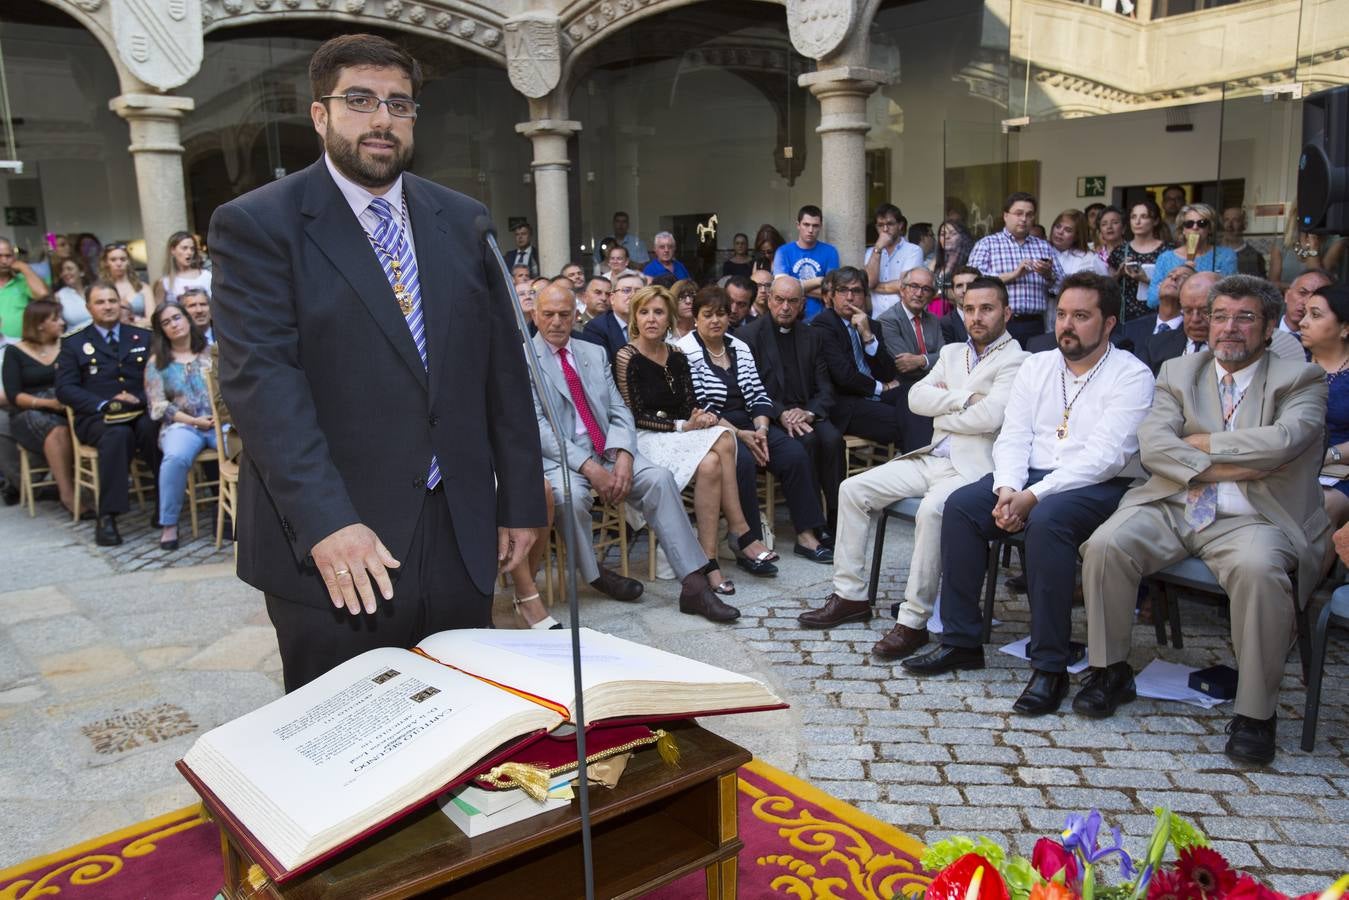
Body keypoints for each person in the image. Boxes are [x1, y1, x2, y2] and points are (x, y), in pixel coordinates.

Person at [208, 34, 544, 692]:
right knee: (348, 740)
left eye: (399, 103)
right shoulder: (258, 224)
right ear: (319, 114)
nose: (382, 118)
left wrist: (523, 501)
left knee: (463, 718)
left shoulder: (463, 219)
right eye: (360, 100)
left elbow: (502, 372)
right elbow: (263, 386)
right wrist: (327, 523)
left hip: (458, 529)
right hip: (341, 540)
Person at [1077, 274, 1329, 765]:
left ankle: (1256, 715)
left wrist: (1203, 444)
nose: (1229, 328)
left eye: (1245, 317)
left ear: (1271, 326)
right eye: (1219, 316)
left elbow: (1285, 442)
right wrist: (1224, 464)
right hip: (1177, 504)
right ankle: (1110, 671)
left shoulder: (1301, 378)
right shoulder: (1177, 370)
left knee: (1258, 571)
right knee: (1108, 544)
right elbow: (1153, 446)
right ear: (1206, 322)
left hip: (1256, 516)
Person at [901, 273, 1154, 716]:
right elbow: (1013, 436)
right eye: (1061, 315)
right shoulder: (1038, 365)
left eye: (1081, 316)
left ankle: (1050, 665)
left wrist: (1031, 497)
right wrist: (1007, 489)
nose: (1066, 326)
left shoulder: (1131, 375)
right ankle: (961, 640)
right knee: (960, 506)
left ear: (1109, 322)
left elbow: (1105, 458)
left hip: (1096, 486)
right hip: (1027, 477)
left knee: (1048, 521)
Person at [797, 277, 1029, 651]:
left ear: (1007, 312)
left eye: (986, 309)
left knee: (932, 513)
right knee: (852, 489)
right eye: (969, 309)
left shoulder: (1020, 361)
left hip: (973, 471)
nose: (976, 317)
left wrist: (946, 407)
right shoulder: (953, 352)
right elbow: (915, 398)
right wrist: (967, 400)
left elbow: (992, 416)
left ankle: (913, 620)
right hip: (932, 456)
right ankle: (850, 596)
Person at [531, 283, 738, 621]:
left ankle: (693, 584)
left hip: (610, 445)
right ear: (535, 315)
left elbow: (619, 410)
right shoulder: (524, 359)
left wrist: (625, 454)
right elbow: (538, 428)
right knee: (570, 497)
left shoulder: (593, 352)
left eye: (564, 314)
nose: (556, 322)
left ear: (576, 314)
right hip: (563, 456)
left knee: (658, 477)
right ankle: (595, 573)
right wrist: (590, 468)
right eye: (548, 314)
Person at [615, 284, 770, 595]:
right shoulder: (626, 356)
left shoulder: (676, 354)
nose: (651, 319)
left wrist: (697, 419)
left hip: (679, 431)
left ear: (670, 317)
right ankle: (741, 531)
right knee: (724, 438)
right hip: (647, 438)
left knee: (715, 456)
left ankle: (709, 559)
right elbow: (635, 416)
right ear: (635, 317)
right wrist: (684, 426)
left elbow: (688, 404)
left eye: (658, 312)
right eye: (644, 312)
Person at [677, 285, 831, 564]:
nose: (716, 321)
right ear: (696, 318)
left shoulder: (738, 346)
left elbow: (758, 393)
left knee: (794, 454)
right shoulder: (684, 351)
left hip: (751, 422)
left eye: (721, 314)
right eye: (708, 315)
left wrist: (760, 430)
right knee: (742, 462)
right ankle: (747, 541)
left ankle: (806, 535)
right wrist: (741, 435)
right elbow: (700, 405)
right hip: (713, 429)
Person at [54, 281, 159, 547]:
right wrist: (105, 403)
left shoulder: (141, 336)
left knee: (153, 429)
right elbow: (65, 389)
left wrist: (143, 398)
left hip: (140, 410)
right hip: (97, 418)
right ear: (88, 307)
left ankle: (164, 504)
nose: (108, 306)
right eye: (100, 302)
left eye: (112, 300)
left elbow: (160, 377)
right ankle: (108, 517)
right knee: (118, 434)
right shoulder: (74, 343)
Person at [738, 275, 845, 531]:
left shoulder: (812, 336)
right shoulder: (748, 335)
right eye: (779, 300)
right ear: (769, 299)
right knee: (806, 442)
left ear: (802, 304)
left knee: (832, 440)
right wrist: (781, 413)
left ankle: (836, 516)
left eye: (792, 301)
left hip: (806, 411)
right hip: (771, 415)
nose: (785, 307)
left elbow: (826, 387)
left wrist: (809, 412)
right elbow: (749, 388)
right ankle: (811, 524)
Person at [813, 266, 928, 451]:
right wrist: (882, 387)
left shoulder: (871, 325)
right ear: (831, 296)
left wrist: (867, 336)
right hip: (846, 403)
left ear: (865, 296)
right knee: (905, 418)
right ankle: (916, 466)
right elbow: (844, 376)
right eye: (843, 290)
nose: (850, 297)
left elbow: (887, 372)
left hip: (873, 396)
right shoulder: (823, 325)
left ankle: (913, 463)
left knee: (916, 394)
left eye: (856, 291)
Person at [144, 302, 216, 551]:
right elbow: (158, 406)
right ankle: (169, 524)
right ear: (161, 330)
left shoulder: (212, 352)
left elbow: (230, 387)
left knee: (248, 449)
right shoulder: (158, 363)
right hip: (183, 426)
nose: (174, 324)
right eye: (166, 322)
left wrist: (223, 415)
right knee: (175, 458)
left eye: (177, 317)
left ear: (187, 319)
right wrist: (194, 421)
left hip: (219, 422)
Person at [1, 298, 78, 514]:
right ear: (39, 323)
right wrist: (48, 403)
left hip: (67, 405)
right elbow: (15, 394)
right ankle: (68, 495)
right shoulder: (14, 352)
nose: (62, 323)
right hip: (30, 410)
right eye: (56, 319)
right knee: (55, 429)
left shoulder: (69, 346)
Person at [967, 192, 1064, 348]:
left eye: (1029, 214)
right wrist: (1014, 275)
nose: (1024, 219)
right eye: (1018, 213)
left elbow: (1062, 286)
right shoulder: (987, 244)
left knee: (1035, 369)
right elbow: (974, 283)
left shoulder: (1043, 246)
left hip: (1036, 323)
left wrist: (1048, 275)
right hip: (999, 323)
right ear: (1006, 215)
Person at [1300, 283, 1349, 542]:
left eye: (1315, 315)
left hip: (1340, 472)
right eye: (1305, 313)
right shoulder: (1290, 361)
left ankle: (1307, 582)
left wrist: (1328, 456)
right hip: (1286, 464)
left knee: (1325, 504)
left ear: (1345, 328)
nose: (1303, 322)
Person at [1147, 203, 1237, 310]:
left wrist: (1172, 289)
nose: (1195, 227)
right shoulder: (1166, 258)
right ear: (1183, 230)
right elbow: (1152, 300)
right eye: (1189, 224)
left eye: (1202, 223)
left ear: (1209, 229)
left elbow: (1230, 295)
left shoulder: (1225, 256)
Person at [876, 267, 944, 387]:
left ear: (932, 295)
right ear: (902, 290)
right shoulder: (887, 320)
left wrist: (921, 360)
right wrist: (932, 362)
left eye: (926, 289)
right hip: (905, 387)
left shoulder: (934, 319)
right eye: (914, 286)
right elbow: (906, 367)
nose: (919, 294)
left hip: (938, 383)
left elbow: (945, 357)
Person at [1110, 199, 1173, 322]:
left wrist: (1145, 279)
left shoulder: (1168, 250)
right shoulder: (1120, 250)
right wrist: (1119, 274)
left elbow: (1175, 285)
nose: (1137, 222)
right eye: (1133, 217)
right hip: (1125, 316)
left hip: (1158, 314)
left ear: (1155, 221)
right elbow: (1108, 287)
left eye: (1144, 217)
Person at [773, 205, 839, 321]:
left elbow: (830, 293)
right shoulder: (783, 252)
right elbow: (782, 290)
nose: (810, 230)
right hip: (790, 318)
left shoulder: (830, 251)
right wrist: (818, 281)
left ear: (820, 227)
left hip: (821, 320)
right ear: (798, 225)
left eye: (815, 226)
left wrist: (795, 290)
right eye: (806, 224)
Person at [864, 203, 924, 320]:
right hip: (878, 318)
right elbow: (870, 282)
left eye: (890, 224)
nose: (885, 229)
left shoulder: (913, 250)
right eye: (880, 225)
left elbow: (904, 285)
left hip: (905, 319)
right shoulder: (871, 252)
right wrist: (878, 249)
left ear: (900, 225)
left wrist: (875, 287)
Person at [1122, 263, 1192, 358]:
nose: (1174, 277)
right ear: (1159, 286)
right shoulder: (1130, 328)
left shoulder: (1192, 333)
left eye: (1183, 277)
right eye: (1170, 275)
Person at [581, 270, 640, 364]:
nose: (632, 295)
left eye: (639, 291)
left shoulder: (650, 324)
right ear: (612, 298)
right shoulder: (597, 327)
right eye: (626, 290)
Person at [0, 237, 51, 341]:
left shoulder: (23, 280)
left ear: (14, 257)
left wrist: (24, 268)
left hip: (22, 344)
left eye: (8, 256)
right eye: (0, 256)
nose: (4, 261)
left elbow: (42, 294)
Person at [153, 231, 212, 312]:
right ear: (173, 250)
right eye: (184, 248)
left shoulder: (207, 276)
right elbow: (159, 314)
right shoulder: (165, 283)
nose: (189, 252)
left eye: (192, 249)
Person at [1049, 209, 1108, 279]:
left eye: (1068, 230)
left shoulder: (1089, 258)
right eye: (1058, 226)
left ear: (1077, 236)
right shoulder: (1041, 251)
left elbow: (1106, 285)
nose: (1060, 232)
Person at [932, 220, 974, 311]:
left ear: (963, 237)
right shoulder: (937, 261)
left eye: (952, 234)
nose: (947, 237)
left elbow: (967, 294)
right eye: (943, 234)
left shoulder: (970, 261)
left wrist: (938, 294)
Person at [1280, 270, 1333, 341]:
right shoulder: (1264, 328)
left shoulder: (1326, 343)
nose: (1306, 302)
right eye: (1302, 293)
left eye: (1315, 297)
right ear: (1287, 295)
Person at [98, 243, 146, 320]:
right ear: (106, 263)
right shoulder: (101, 290)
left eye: (123, 259)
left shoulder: (143, 287)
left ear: (128, 262)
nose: (119, 263)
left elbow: (152, 319)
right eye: (113, 260)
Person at [1220, 207, 1267, 278]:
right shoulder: (1213, 251)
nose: (1229, 225)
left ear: (1244, 225)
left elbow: (1259, 285)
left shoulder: (1254, 256)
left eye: (1235, 220)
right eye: (1226, 220)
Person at [940, 266, 979, 345]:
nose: (964, 290)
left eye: (970, 285)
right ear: (953, 292)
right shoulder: (944, 324)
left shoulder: (995, 318)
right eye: (959, 286)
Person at [52, 256, 92, 330]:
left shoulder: (93, 290)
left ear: (81, 272)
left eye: (69, 269)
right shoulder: (59, 296)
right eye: (62, 271)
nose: (65, 273)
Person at [1093, 206, 1126, 271]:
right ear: (1100, 231)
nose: (1109, 227)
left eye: (1115, 222)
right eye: (1104, 224)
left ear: (1124, 228)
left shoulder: (1133, 250)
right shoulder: (1096, 257)